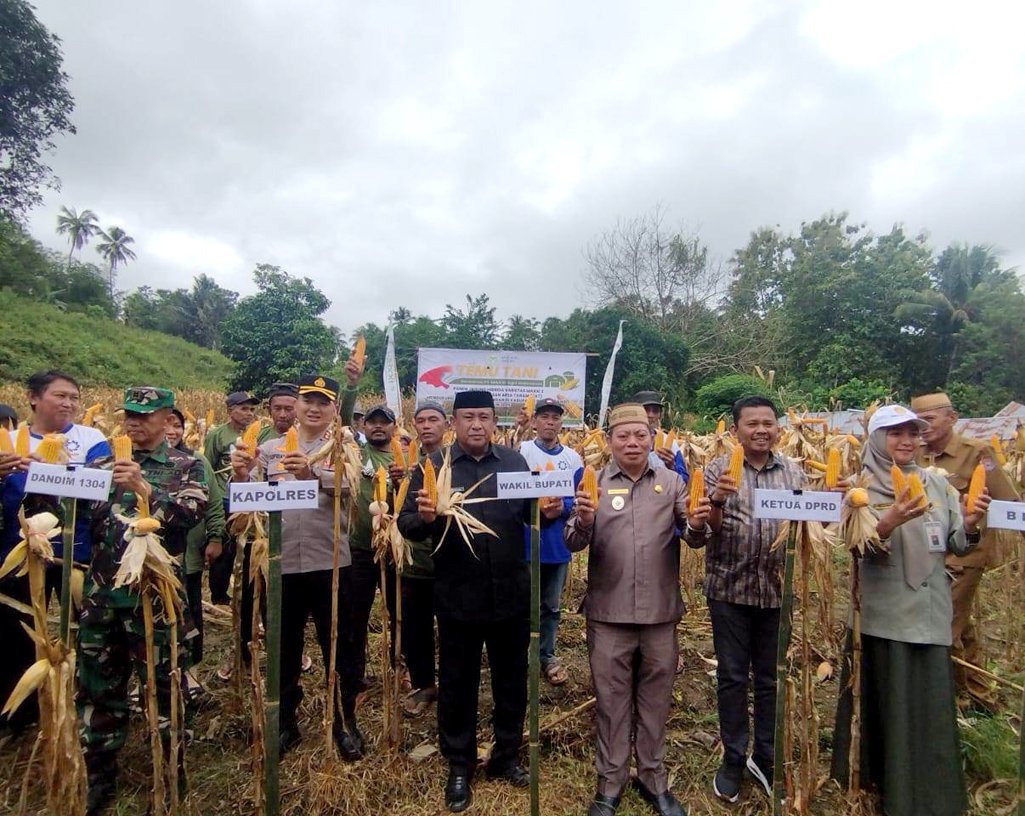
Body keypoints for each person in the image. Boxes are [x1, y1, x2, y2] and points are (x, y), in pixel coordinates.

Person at [831, 404, 989, 816]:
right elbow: (855, 550)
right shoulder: (857, 488)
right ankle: (884, 787)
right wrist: (890, 521)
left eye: (912, 433)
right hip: (884, 618)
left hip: (930, 611)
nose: (906, 441)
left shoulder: (938, 485)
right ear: (877, 440)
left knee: (928, 704)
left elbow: (956, 543)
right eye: (895, 433)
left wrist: (971, 524)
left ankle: (931, 789)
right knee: (890, 702)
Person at [398, 390, 532, 813]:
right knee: (458, 682)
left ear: (496, 422)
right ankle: (460, 762)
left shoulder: (514, 463)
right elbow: (405, 525)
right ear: (453, 422)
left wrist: (549, 511)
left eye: (485, 417)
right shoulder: (433, 466)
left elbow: (534, 513)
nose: (477, 424)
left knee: (512, 679)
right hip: (458, 594)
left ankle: (507, 754)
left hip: (510, 592)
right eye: (468, 417)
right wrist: (424, 517)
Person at [77, 387, 207, 814]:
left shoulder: (186, 466)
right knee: (98, 684)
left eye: (145, 415)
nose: (135, 422)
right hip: (103, 596)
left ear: (167, 418)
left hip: (155, 598)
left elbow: (188, 517)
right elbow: (78, 519)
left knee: (165, 683)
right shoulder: (99, 464)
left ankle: (170, 769)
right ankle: (99, 772)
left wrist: (143, 486)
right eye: (130, 414)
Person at [229, 375, 363, 760]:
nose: (314, 408)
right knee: (283, 648)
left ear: (335, 409)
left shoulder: (344, 446)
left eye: (324, 402)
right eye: (308, 400)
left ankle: (344, 721)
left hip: (330, 564)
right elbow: (247, 501)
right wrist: (240, 473)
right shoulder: (268, 450)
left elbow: (349, 487)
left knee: (340, 647)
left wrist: (312, 475)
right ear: (296, 404)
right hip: (280, 563)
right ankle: (285, 721)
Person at [565, 403, 689, 816]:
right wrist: (581, 520)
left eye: (640, 435)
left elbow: (695, 534)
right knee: (612, 702)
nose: (632, 442)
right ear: (610, 442)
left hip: (659, 613)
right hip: (608, 614)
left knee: (656, 702)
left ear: (651, 439)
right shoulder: (594, 482)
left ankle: (653, 778)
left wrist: (704, 522)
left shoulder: (672, 483)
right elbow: (572, 542)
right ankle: (610, 782)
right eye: (623, 436)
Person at [683, 395, 805, 803]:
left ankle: (766, 757)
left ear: (778, 428)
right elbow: (701, 535)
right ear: (735, 430)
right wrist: (716, 499)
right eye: (751, 423)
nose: (761, 430)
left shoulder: (795, 472)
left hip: (776, 592)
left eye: (768, 423)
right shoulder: (716, 470)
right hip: (729, 590)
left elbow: (812, 528)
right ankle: (733, 757)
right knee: (733, 677)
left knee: (770, 679)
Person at [0, 370, 110, 733]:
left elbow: (103, 488)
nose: (69, 404)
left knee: (89, 632)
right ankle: (22, 716)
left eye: (75, 398)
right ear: (33, 398)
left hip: (76, 554)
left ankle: (88, 706)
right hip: (20, 555)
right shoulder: (9, 440)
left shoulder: (90, 439)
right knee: (17, 633)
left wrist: (57, 471)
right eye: (60, 396)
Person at [910, 391, 1021, 710]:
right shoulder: (916, 455)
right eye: (918, 422)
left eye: (929, 420)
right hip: (928, 556)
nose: (923, 428)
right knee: (962, 627)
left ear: (952, 418)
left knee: (943, 626)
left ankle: (944, 704)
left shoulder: (977, 453)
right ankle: (982, 698)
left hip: (964, 556)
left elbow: (1008, 501)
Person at [518, 396, 581, 687]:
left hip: (557, 544)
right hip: (525, 541)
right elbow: (510, 489)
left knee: (551, 606)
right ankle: (521, 656)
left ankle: (547, 655)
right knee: (523, 604)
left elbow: (580, 499)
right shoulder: (522, 451)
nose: (550, 422)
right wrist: (536, 507)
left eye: (555, 417)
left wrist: (562, 508)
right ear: (535, 421)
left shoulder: (572, 458)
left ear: (561, 422)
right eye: (544, 416)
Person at [395, 401, 449, 717]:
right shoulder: (404, 461)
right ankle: (424, 683)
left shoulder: (456, 462)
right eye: (421, 421)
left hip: (447, 563)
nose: (426, 426)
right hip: (413, 560)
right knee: (417, 627)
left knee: (452, 626)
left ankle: (453, 682)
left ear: (446, 425)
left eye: (433, 420)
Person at [347, 404, 405, 697]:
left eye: (385, 422)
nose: (378, 427)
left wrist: (403, 479)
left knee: (398, 613)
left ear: (395, 427)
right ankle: (354, 674)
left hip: (394, 548)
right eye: (372, 423)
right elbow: (340, 421)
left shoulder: (404, 458)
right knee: (356, 615)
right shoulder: (354, 454)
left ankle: (401, 669)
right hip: (359, 549)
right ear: (363, 427)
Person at [166, 408, 224, 681]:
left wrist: (215, 537)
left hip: (187, 557)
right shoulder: (131, 461)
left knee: (190, 612)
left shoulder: (196, 460)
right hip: (146, 558)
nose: (171, 431)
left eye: (176, 425)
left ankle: (191, 670)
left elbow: (213, 503)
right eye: (165, 424)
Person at [204, 390, 260, 605]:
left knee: (247, 548)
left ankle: (246, 593)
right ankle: (219, 595)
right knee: (225, 552)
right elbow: (207, 466)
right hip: (224, 499)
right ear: (230, 410)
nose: (249, 414)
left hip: (248, 499)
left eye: (252, 409)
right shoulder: (217, 435)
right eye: (244, 409)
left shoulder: (255, 435)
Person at [630, 391, 688, 480]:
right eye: (646, 410)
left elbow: (684, 480)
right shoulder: (625, 442)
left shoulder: (670, 443)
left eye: (655, 411)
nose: (651, 415)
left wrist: (671, 466)